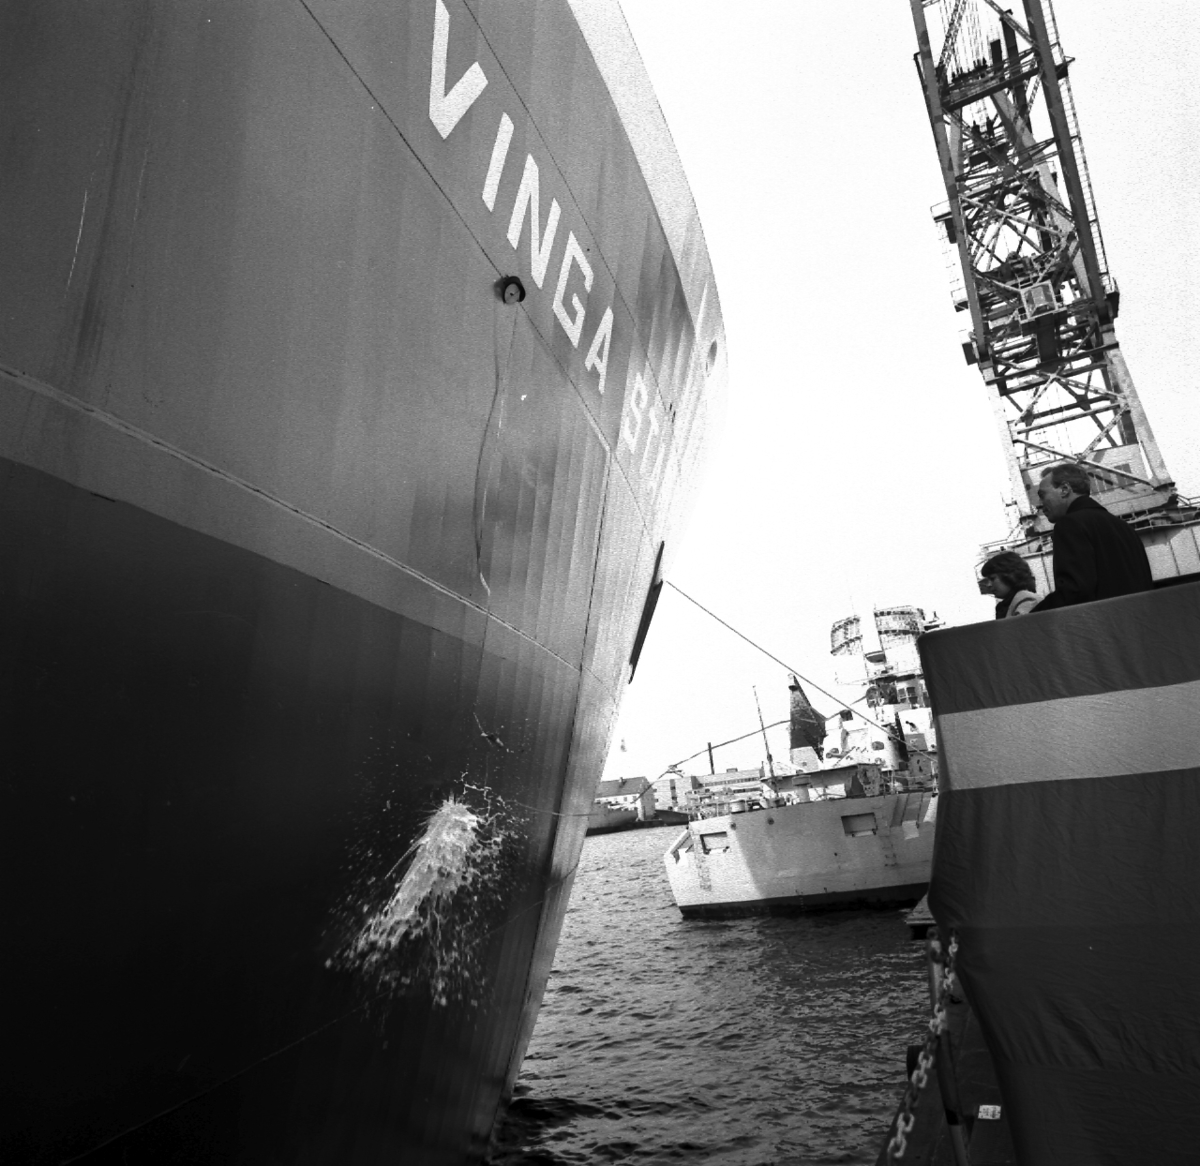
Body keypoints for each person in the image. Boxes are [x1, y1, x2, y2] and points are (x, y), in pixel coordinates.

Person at [1032, 463, 1153, 610]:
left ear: (1064, 489)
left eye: (1042, 495)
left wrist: (1031, 617)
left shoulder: (1069, 525)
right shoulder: (1124, 527)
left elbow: (1074, 592)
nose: (1039, 504)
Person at [980, 551, 1039, 618]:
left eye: (992, 578)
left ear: (1010, 576)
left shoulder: (1026, 599)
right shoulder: (1006, 604)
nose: (988, 585)